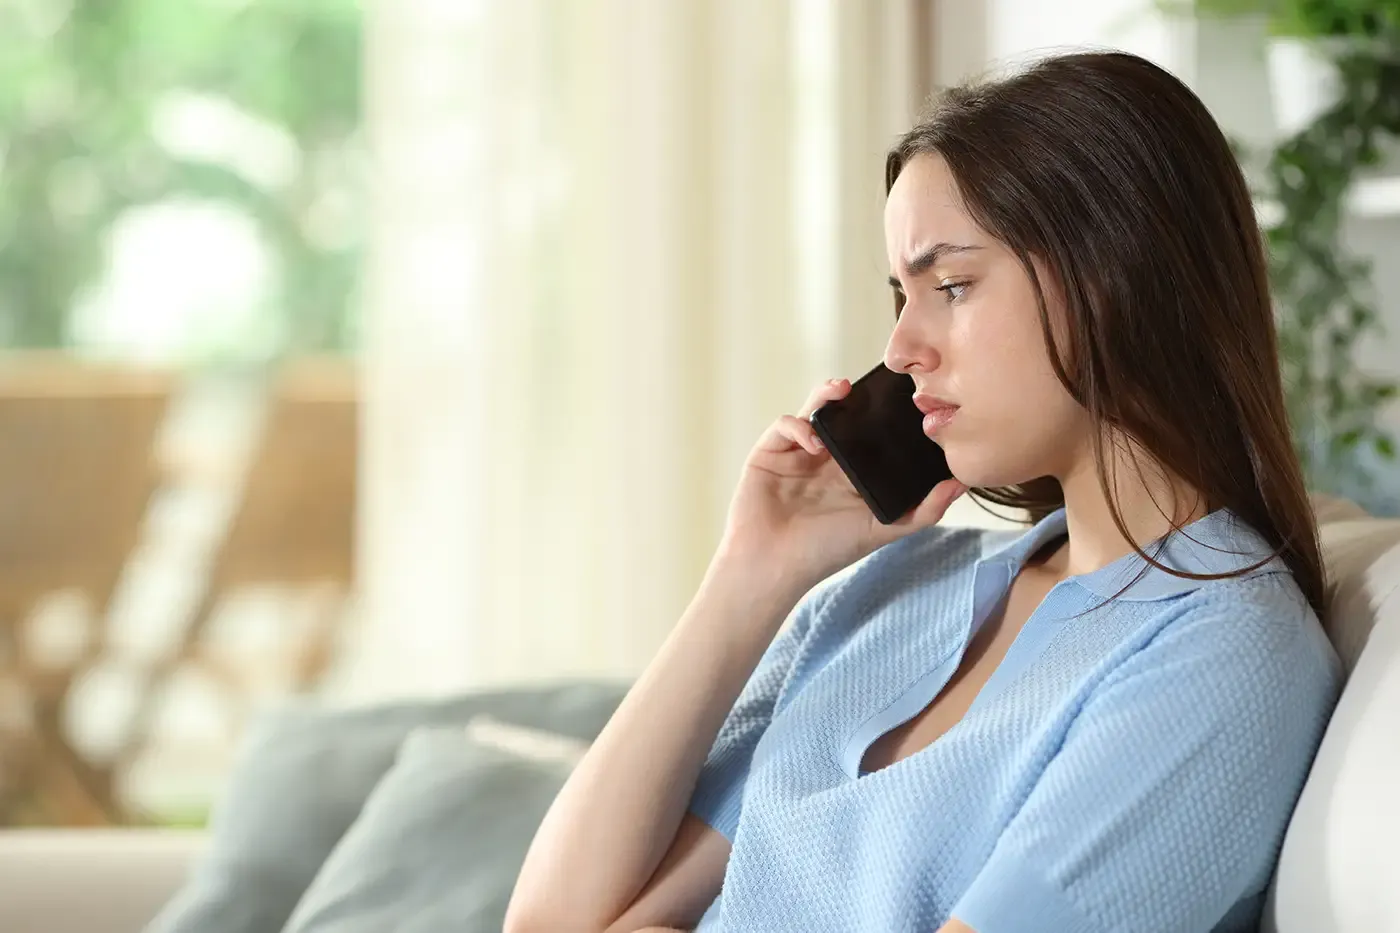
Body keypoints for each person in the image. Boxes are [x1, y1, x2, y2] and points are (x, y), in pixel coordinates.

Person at [504, 50, 1343, 933]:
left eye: (951, 285)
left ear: (1117, 275)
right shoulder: (896, 587)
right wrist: (749, 577)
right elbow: (552, 921)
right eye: (901, 296)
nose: (902, 347)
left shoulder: (1225, 653)